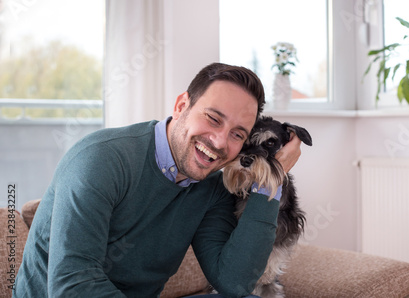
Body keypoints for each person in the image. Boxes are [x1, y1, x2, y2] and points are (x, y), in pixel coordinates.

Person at [13, 63, 304, 298]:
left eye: (237, 134)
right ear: (181, 106)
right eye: (213, 119)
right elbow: (71, 286)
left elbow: (235, 283)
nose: (219, 141)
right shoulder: (101, 159)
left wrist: (272, 178)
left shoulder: (211, 186)